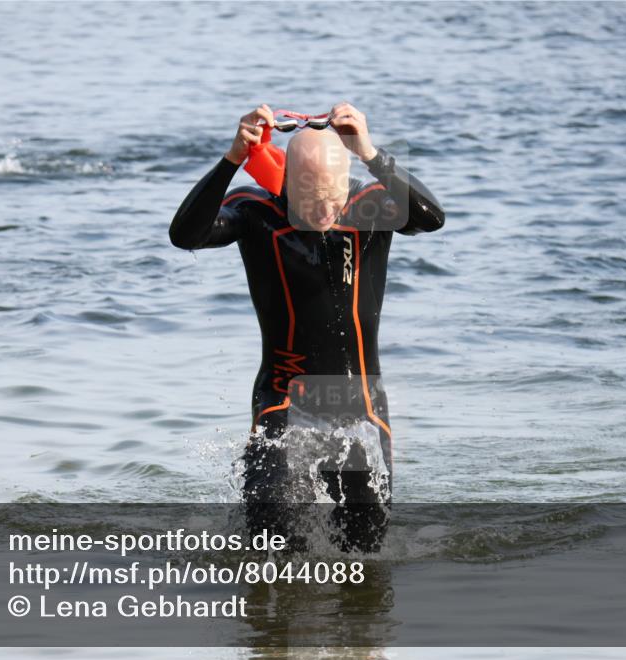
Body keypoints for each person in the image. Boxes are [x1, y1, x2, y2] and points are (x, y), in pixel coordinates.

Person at [170, 102, 444, 551]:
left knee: (365, 554)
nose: (324, 212)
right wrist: (233, 157)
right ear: (286, 185)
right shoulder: (256, 212)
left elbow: (432, 218)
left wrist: (370, 153)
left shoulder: (369, 206)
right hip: (282, 402)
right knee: (273, 549)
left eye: (333, 198)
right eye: (311, 199)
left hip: (361, 409)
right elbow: (185, 235)